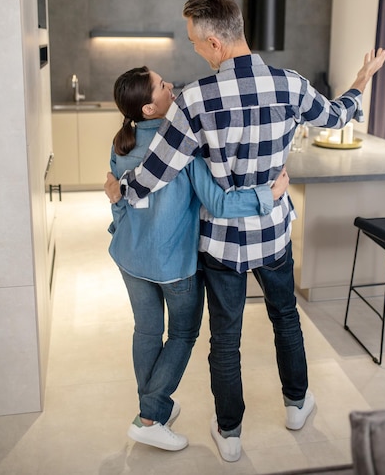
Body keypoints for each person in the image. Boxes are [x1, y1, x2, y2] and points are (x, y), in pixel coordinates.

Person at [105, 0, 385, 462]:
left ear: (216, 43)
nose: (195, 50)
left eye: (197, 42)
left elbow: (158, 172)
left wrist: (122, 190)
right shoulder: (291, 85)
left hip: (220, 242)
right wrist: (361, 82)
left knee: (226, 339)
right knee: (286, 320)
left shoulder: (193, 100)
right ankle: (297, 405)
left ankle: (230, 432)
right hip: (273, 234)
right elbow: (337, 116)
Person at [108, 65, 289, 453]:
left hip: (128, 255)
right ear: (150, 110)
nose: (170, 84)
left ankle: (152, 409)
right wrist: (268, 197)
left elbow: (117, 199)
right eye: (160, 85)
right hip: (173, 265)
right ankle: (151, 416)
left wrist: (120, 228)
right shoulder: (182, 146)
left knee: (145, 331)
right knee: (183, 334)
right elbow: (220, 202)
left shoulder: (120, 143)